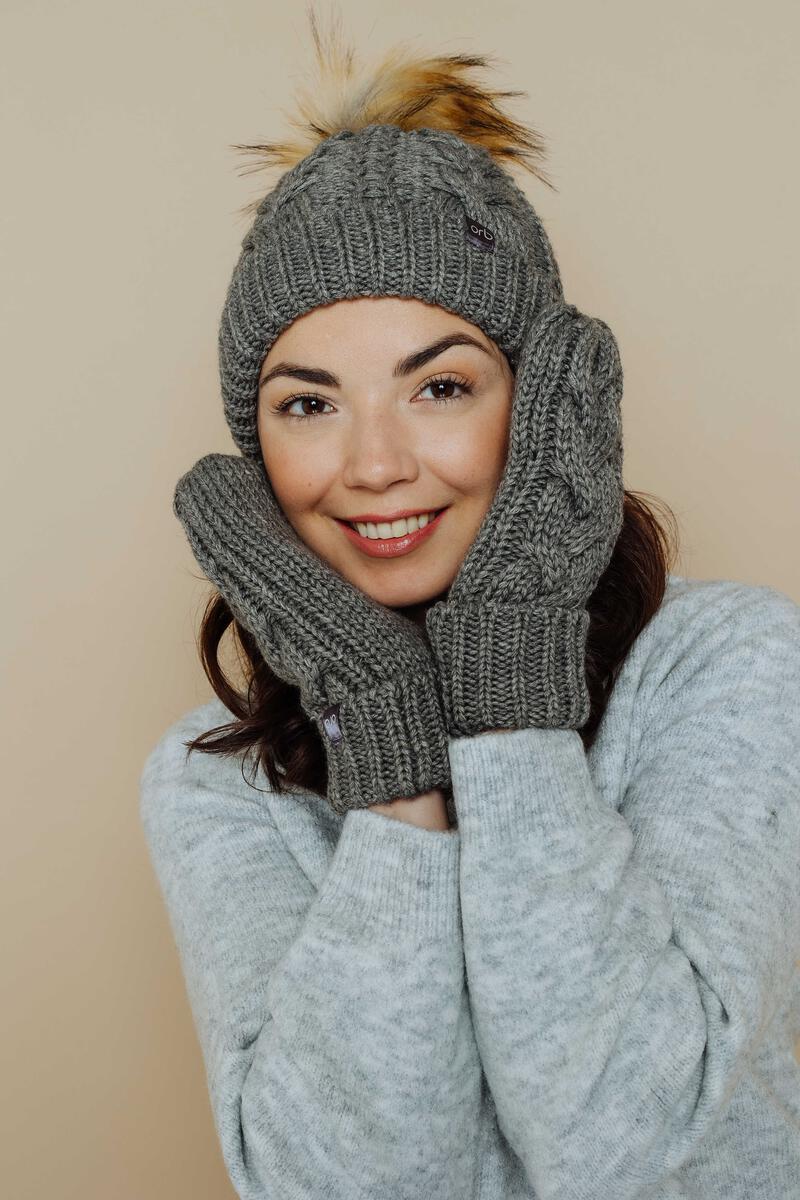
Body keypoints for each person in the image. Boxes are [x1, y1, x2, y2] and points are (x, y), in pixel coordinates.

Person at [139, 12, 800, 1199]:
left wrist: (505, 685)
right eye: (307, 404)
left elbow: (626, 1148)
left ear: (543, 403)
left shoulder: (727, 665)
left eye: (438, 386)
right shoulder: (213, 777)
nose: (374, 464)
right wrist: (384, 743)